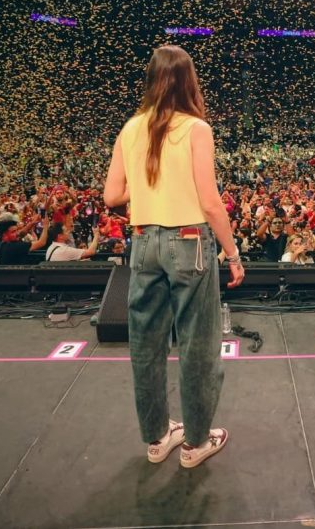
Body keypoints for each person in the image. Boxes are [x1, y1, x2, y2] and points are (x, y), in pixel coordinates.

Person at [104, 44, 245, 470]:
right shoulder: (196, 128)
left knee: (145, 346)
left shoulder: (130, 128)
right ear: (189, 82)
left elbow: (112, 196)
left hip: (143, 242)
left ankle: (158, 437)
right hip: (189, 242)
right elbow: (210, 202)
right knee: (197, 346)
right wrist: (233, 253)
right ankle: (195, 444)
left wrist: (150, 186)